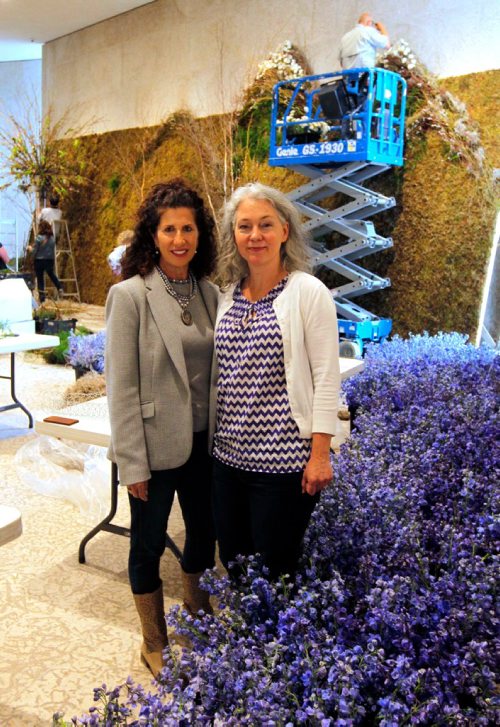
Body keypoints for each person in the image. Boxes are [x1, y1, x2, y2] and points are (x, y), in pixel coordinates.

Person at [105, 179, 218, 677]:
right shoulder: (129, 296)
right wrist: (131, 461)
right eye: (169, 229)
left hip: (205, 444)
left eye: (187, 228)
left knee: (203, 534)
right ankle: (154, 639)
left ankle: (198, 613)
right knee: (147, 544)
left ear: (200, 234)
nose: (179, 239)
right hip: (152, 447)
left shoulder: (211, 293)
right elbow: (122, 388)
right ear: (153, 236)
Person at [212, 183, 340, 581]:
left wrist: (320, 454)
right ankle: (243, 640)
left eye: (265, 224)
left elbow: (326, 376)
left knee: (275, 568)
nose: (255, 236)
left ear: (285, 230)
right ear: (233, 235)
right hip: (228, 460)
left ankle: (274, 643)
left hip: (283, 464)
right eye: (245, 226)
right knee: (232, 558)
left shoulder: (307, 292)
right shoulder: (227, 296)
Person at [28, 220, 63, 302]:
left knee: (40, 280)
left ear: (41, 228)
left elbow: (34, 252)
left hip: (39, 261)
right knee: (51, 275)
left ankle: (42, 299)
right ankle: (59, 287)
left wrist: (29, 249)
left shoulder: (39, 238)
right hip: (49, 260)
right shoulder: (52, 239)